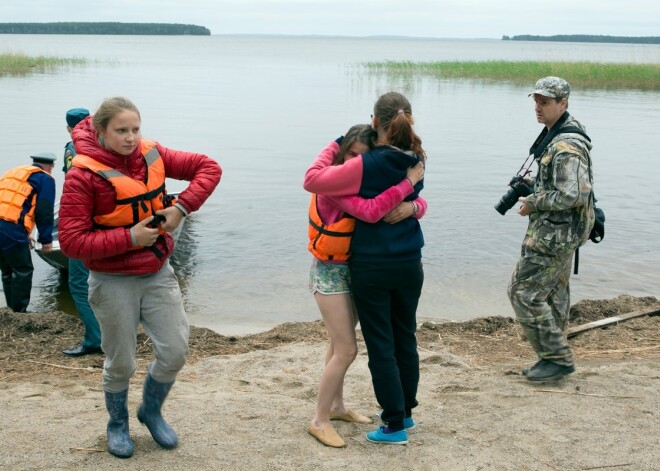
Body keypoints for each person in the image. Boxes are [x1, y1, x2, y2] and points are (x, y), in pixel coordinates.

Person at [58, 96, 221, 458]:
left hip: (157, 272)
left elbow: (209, 168)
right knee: (121, 362)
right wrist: (130, 237)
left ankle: (151, 410)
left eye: (135, 129)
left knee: (175, 351)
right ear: (100, 131)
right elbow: (70, 242)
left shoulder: (153, 153)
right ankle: (117, 423)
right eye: (121, 131)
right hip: (111, 280)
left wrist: (181, 208)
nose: (130, 138)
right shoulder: (83, 176)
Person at [304, 92, 426, 445]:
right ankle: (389, 415)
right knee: (370, 343)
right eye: (351, 155)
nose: (355, 160)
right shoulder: (415, 159)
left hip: (369, 267)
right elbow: (383, 207)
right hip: (390, 264)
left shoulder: (363, 167)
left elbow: (315, 178)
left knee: (374, 344)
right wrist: (411, 198)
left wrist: (414, 205)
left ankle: (389, 421)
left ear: (376, 123)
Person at [508, 77, 595, 382]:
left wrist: (534, 200)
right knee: (555, 295)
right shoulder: (559, 132)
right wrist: (535, 186)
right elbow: (565, 186)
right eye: (536, 101)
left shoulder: (566, 144)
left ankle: (556, 358)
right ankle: (553, 361)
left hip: (554, 235)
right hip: (563, 232)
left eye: (545, 102)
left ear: (563, 103)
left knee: (523, 292)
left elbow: (575, 194)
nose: (538, 107)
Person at [60, 107, 103, 357]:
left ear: (69, 127)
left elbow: (73, 187)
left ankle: (96, 340)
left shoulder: (72, 147)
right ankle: (117, 333)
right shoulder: (107, 143)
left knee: (78, 283)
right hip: (111, 222)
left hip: (85, 224)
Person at [0, 153, 56, 312]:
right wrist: (46, 240)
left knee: (8, 269)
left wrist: (24, 232)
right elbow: (44, 211)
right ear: (50, 166)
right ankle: (20, 313)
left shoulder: (14, 172)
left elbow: (13, 204)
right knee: (23, 270)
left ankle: (10, 310)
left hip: (5, 226)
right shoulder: (45, 178)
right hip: (11, 230)